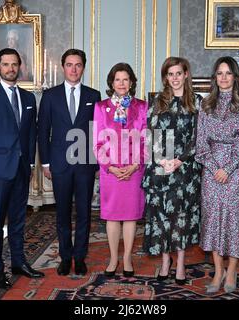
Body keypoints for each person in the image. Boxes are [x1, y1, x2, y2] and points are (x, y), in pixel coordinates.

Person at [0, 48, 44, 289]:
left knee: (18, 221)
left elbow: (32, 133)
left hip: (22, 170)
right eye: (5, 64)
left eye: (14, 64)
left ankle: (18, 262)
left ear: (19, 67)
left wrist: (31, 164)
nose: (10, 69)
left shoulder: (28, 99)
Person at [195, 56, 239, 294]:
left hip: (236, 170)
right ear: (215, 78)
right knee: (211, 219)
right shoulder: (206, 105)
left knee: (234, 219)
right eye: (219, 73)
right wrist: (213, 167)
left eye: (228, 73)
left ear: (235, 77)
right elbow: (200, 144)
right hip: (211, 170)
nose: (223, 77)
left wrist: (228, 168)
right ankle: (218, 270)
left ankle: (232, 269)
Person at [38, 49, 101, 276]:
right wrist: (45, 163)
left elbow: (97, 132)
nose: (74, 69)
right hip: (59, 164)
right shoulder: (50, 96)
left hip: (85, 164)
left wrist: (95, 164)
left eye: (78, 65)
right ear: (63, 67)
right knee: (62, 213)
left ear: (83, 67)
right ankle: (65, 257)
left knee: (84, 213)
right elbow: (43, 131)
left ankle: (79, 257)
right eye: (69, 65)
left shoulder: (94, 96)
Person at [142, 57, 202, 285]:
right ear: (165, 77)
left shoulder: (196, 103)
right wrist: (162, 160)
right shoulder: (158, 102)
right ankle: (165, 262)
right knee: (161, 216)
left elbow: (199, 137)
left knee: (180, 218)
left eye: (178, 73)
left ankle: (181, 263)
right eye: (170, 74)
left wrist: (179, 160)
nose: (175, 78)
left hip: (185, 170)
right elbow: (151, 134)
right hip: (160, 168)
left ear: (186, 74)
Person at [93, 63, 147, 277]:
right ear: (111, 83)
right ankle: (114, 257)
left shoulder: (142, 107)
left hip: (134, 170)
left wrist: (135, 165)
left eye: (125, 79)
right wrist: (111, 167)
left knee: (130, 216)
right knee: (113, 216)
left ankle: (127, 259)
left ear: (131, 82)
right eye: (118, 79)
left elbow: (146, 140)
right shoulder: (100, 107)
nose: (122, 83)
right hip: (111, 171)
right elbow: (97, 142)